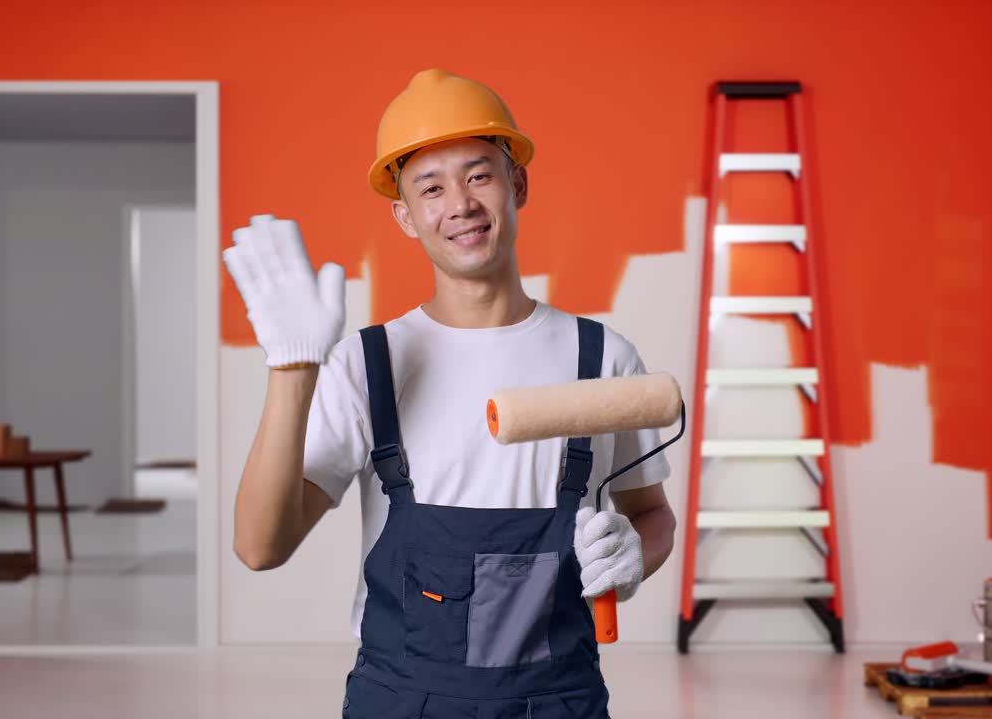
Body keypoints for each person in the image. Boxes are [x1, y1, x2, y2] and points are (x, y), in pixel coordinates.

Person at [223, 68, 677, 718]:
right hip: (404, 700)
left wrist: (637, 557)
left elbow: (650, 515)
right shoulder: (370, 364)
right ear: (406, 217)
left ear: (516, 183)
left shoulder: (601, 358)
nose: (459, 204)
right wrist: (292, 368)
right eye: (430, 188)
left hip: (559, 700)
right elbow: (259, 546)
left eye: (478, 174)